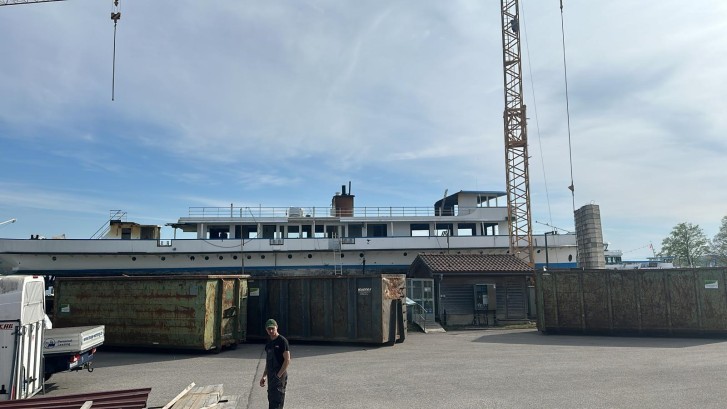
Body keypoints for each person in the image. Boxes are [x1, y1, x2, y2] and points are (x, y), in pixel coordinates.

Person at [259, 319, 291, 409]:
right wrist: (264, 376)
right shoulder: (269, 343)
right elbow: (268, 361)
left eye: (273, 328)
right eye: (269, 329)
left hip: (279, 376)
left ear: (277, 327)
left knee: (277, 401)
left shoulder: (282, 341)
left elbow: (287, 360)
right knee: (271, 399)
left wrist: (279, 375)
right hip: (271, 375)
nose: (271, 331)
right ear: (266, 329)